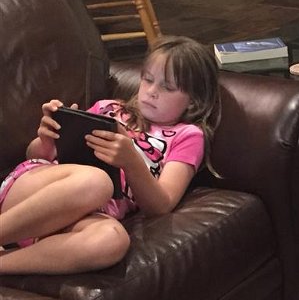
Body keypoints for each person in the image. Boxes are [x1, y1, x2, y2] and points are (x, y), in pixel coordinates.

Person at [0, 35, 220, 275]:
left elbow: (162, 205)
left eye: (167, 87)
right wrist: (46, 140)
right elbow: (35, 156)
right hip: (33, 193)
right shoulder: (110, 108)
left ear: (193, 101)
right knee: (96, 182)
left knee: (113, 239)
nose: (151, 91)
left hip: (82, 215)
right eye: (147, 79)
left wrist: (131, 161)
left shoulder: (187, 136)